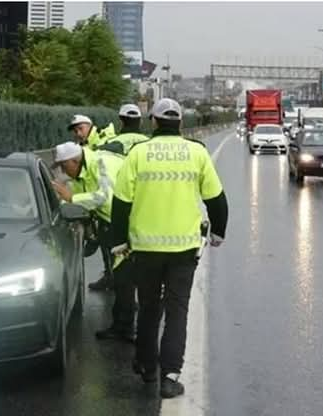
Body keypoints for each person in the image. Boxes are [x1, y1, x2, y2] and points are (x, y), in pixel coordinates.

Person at [109, 98, 229, 399]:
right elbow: (216, 199)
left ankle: (147, 366)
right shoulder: (196, 152)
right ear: (181, 123)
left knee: (149, 308)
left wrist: (119, 242)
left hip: (145, 249)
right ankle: (170, 377)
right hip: (183, 250)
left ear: (153, 121)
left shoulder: (138, 154)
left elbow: (121, 202)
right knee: (177, 312)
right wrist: (218, 233)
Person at [50, 142, 124, 292]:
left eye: (64, 167)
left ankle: (131, 298)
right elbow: (79, 201)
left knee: (126, 267)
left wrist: (72, 198)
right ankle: (111, 278)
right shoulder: (79, 174)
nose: (63, 172)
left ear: (75, 161)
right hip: (108, 219)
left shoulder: (101, 163)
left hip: (126, 217)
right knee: (109, 253)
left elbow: (104, 197)